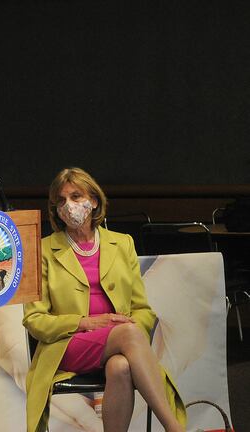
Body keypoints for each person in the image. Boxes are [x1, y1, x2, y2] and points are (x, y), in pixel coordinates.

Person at [23, 167, 187, 432]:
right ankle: (173, 427)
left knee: (121, 366)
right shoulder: (42, 249)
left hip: (118, 342)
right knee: (129, 334)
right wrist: (86, 322)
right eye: (61, 201)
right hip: (67, 346)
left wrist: (127, 327)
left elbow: (142, 309)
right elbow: (34, 320)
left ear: (94, 201)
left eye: (76, 196)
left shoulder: (123, 244)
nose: (69, 206)